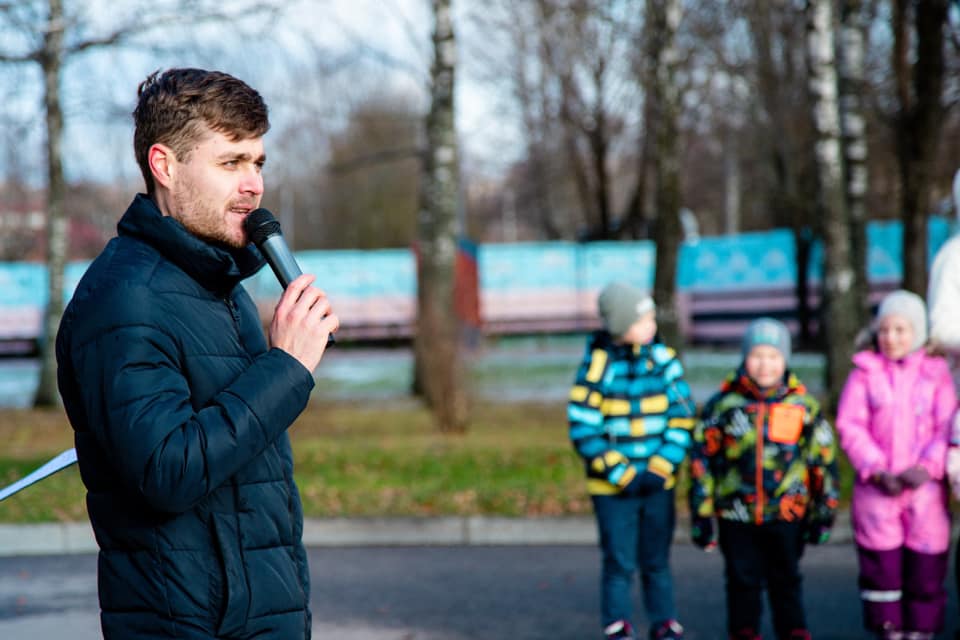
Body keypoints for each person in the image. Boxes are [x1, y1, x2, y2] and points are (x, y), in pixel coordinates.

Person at [55, 68, 338, 639]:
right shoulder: (125, 298)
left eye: (258, 163)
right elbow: (168, 471)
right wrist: (285, 368)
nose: (253, 184)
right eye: (231, 163)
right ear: (165, 166)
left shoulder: (219, 286)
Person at [688, 317, 839, 640]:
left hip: (786, 513)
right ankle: (744, 630)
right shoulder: (725, 405)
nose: (765, 364)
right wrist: (701, 511)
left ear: (785, 360)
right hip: (736, 514)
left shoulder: (802, 406)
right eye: (757, 355)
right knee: (742, 579)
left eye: (773, 356)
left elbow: (821, 460)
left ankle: (793, 629)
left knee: (786, 577)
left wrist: (824, 510)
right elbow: (703, 458)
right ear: (745, 358)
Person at [568, 281, 696, 640]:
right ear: (622, 325)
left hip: (657, 482)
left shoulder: (663, 361)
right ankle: (618, 624)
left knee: (656, 560)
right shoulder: (597, 366)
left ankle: (664, 621)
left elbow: (683, 415)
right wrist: (618, 471)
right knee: (618, 560)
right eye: (643, 320)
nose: (651, 325)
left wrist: (662, 465)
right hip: (613, 489)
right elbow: (583, 426)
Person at [836, 290, 955, 640]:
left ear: (917, 332)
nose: (891, 338)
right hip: (878, 494)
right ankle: (888, 630)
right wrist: (875, 469)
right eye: (885, 330)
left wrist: (928, 467)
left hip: (925, 495)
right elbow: (851, 426)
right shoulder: (864, 374)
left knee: (925, 571)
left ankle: (920, 631)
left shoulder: (936, 375)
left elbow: (947, 425)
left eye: (901, 330)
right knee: (882, 573)